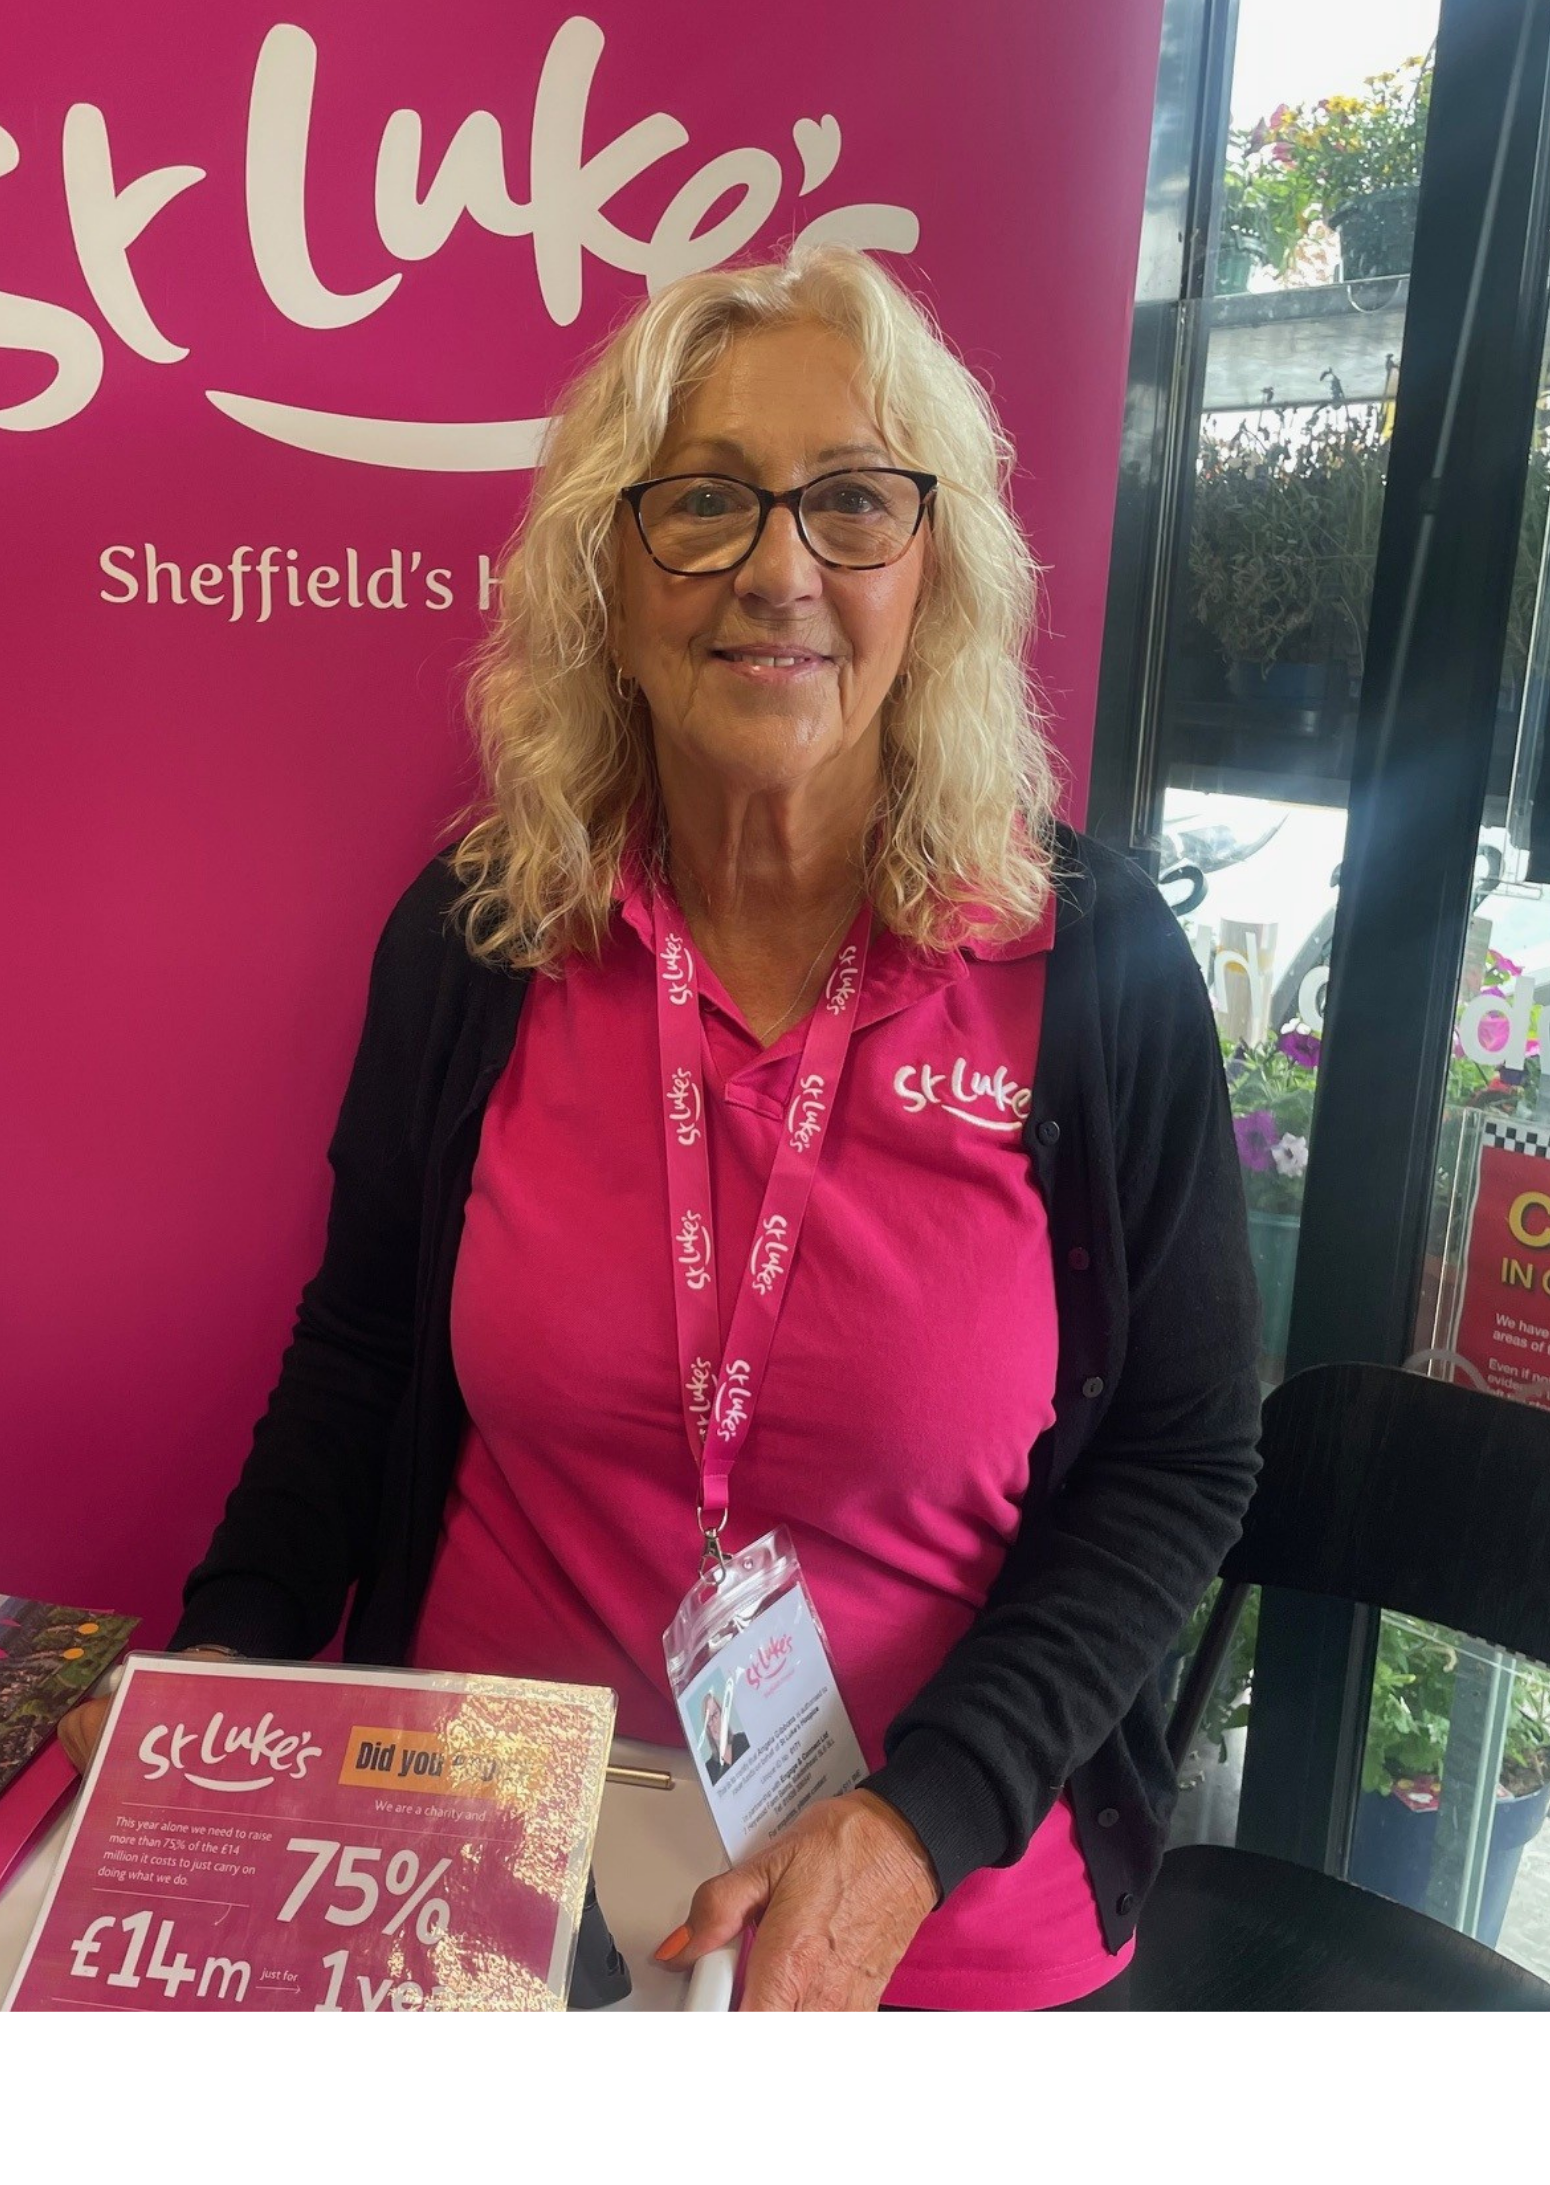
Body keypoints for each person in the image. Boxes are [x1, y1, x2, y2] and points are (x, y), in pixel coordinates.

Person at [61, 243, 1260, 2011]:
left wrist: (916, 1824)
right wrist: (222, 1681)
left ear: (927, 574)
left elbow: (1179, 1459)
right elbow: (361, 1353)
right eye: (702, 503)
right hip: (469, 1866)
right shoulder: (483, 935)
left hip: (924, 1910)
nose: (781, 570)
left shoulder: (1091, 972)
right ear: (606, 577)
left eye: (851, 502)